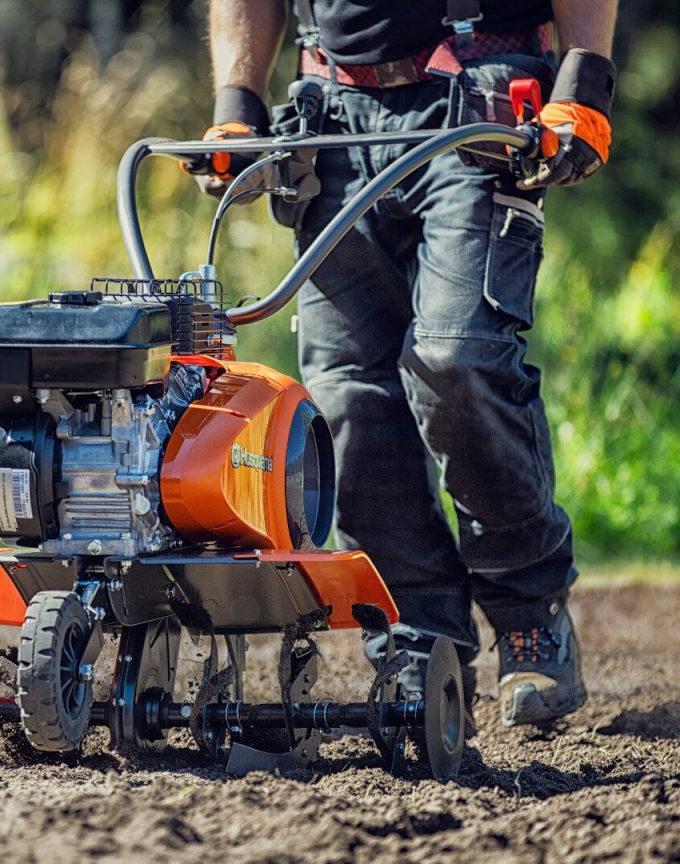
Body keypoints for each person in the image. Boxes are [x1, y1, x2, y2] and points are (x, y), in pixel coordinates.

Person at [192, 0, 617, 728]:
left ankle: (528, 611)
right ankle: (422, 634)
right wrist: (239, 101)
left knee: (458, 359)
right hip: (330, 117)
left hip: (478, 99)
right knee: (346, 402)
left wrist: (584, 81)